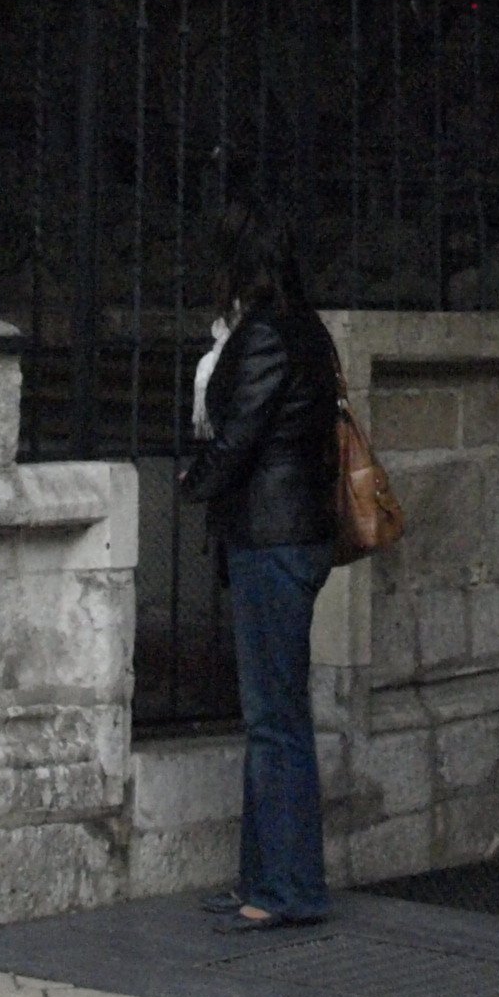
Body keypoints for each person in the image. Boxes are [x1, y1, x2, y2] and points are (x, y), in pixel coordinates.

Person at [176, 203, 342, 932]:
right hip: (283, 534)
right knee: (270, 715)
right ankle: (264, 876)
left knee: (276, 719)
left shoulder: (271, 333)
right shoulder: (298, 327)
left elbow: (241, 431)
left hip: (275, 537)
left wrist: (197, 480)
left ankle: (289, 888)